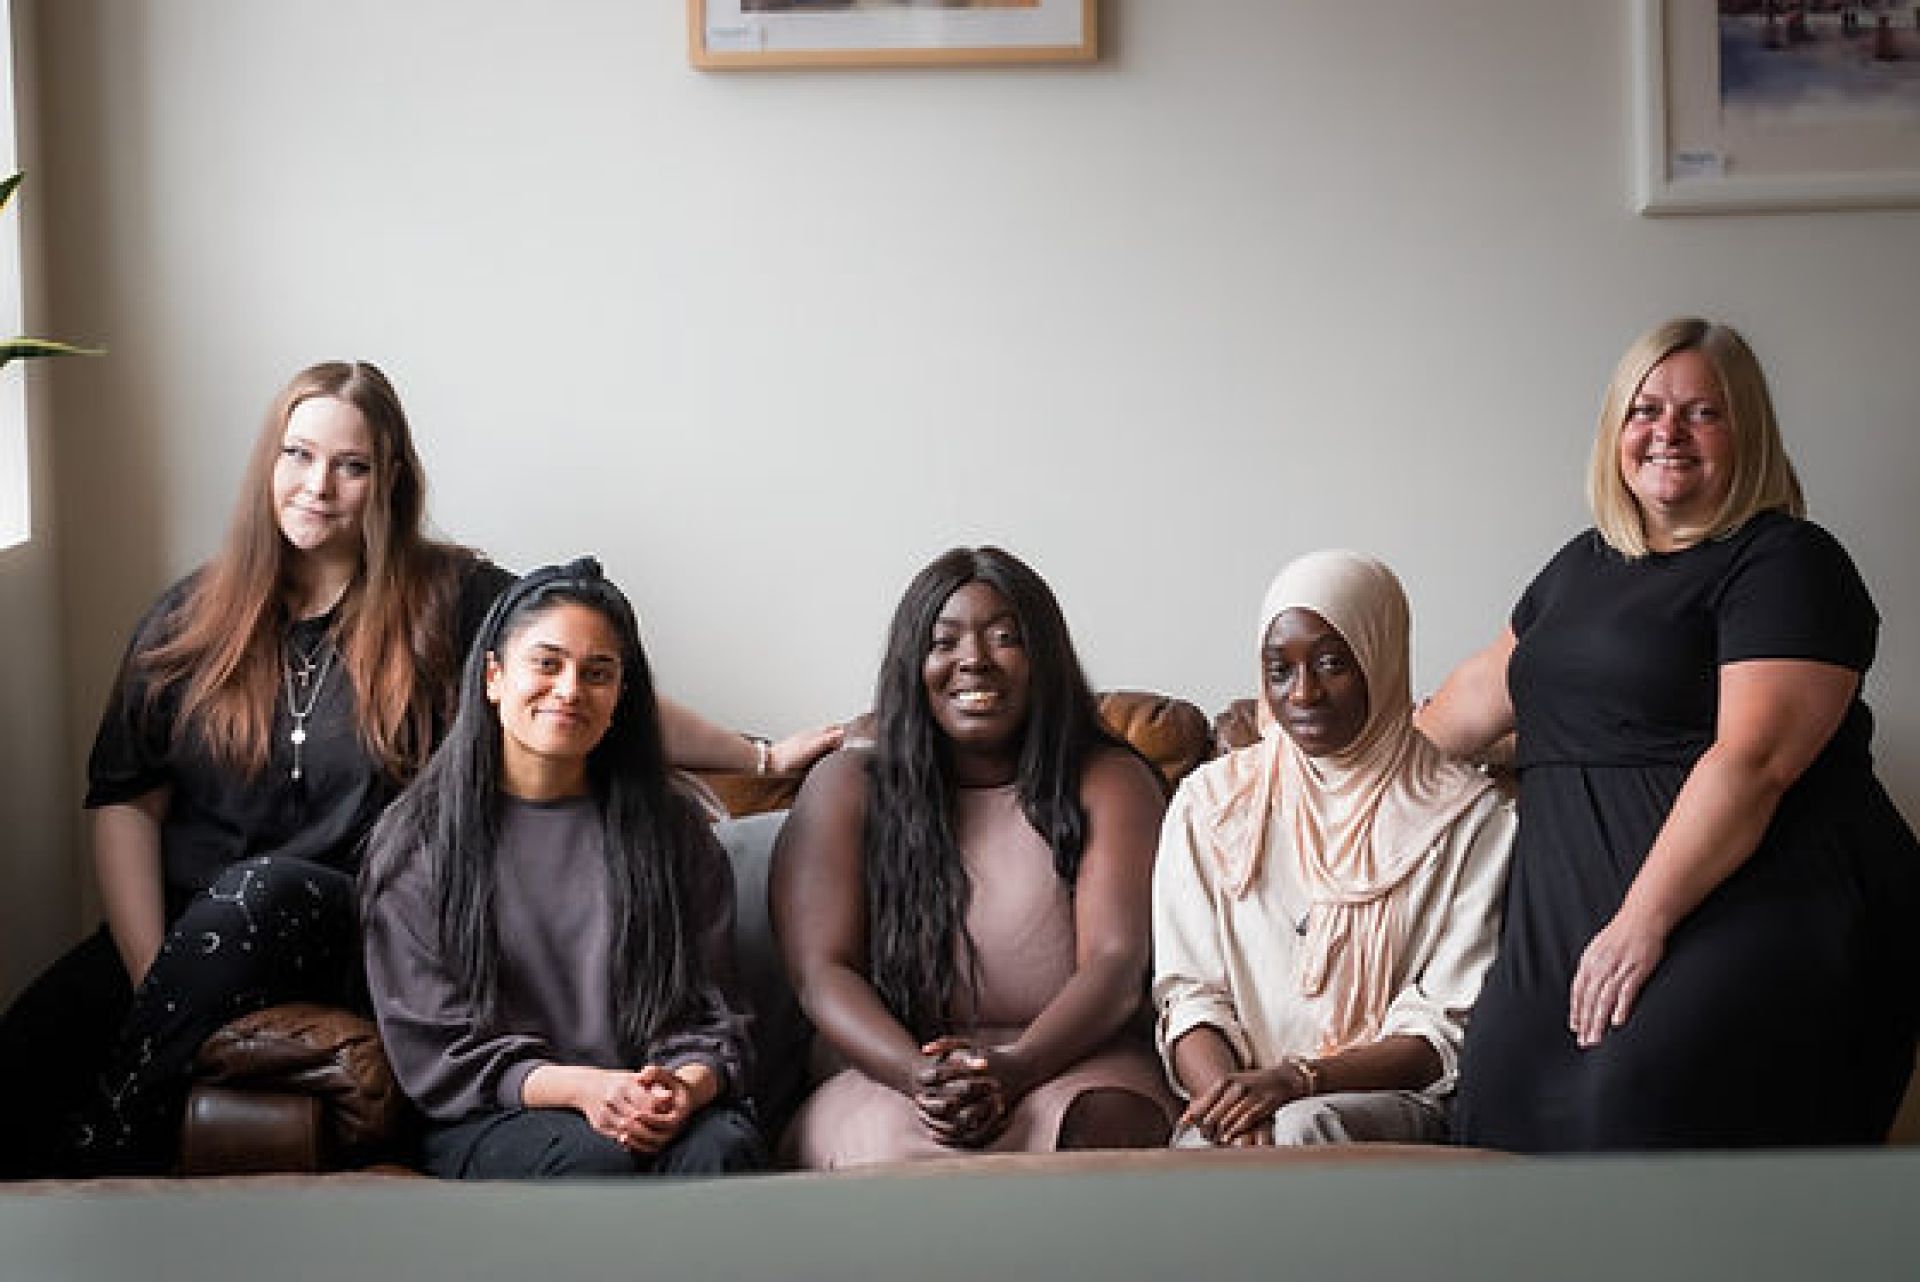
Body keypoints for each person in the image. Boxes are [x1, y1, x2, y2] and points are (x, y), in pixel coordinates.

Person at [0, 360, 833, 1178]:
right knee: (23, 1053)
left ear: (387, 479)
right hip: (183, 935)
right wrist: (159, 985)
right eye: (298, 455)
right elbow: (124, 802)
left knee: (259, 893)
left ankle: (109, 1154)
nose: (318, 485)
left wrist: (760, 755)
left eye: (350, 465)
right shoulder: (190, 614)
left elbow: (574, 674)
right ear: (269, 462)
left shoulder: (448, 598)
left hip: (341, 915)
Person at [1418, 318, 1920, 1150]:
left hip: (1751, 900)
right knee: (1495, 1101)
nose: (1667, 434)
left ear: (1747, 431)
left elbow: (1751, 763)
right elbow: (1462, 709)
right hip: (1569, 912)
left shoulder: (1787, 561)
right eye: (1646, 410)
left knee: (1637, 1100)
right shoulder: (1580, 566)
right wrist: (1286, 767)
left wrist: (1640, 922)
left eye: (1703, 414)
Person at [361, 559, 764, 1179]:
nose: (571, 689)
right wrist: (582, 1090)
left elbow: (713, 1016)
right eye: (547, 664)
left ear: (620, 697)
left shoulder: (673, 830)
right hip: (498, 1113)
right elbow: (439, 1051)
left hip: (652, 1097)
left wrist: (682, 1089)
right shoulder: (417, 841)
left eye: (597, 673)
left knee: (721, 1151)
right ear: (494, 678)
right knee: (591, 1162)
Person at [772, 546, 1175, 1167]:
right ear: (913, 662)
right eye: (945, 641)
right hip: (894, 1072)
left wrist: (1016, 1069)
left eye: (1005, 638)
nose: (974, 662)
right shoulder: (846, 786)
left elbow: (1117, 965)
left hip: (1074, 1062)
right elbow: (821, 971)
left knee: (1102, 1129)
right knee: (877, 1150)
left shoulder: (1110, 780)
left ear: (1046, 659)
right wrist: (917, 1076)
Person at [1153, 551, 1514, 1147]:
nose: (1304, 693)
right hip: (1236, 1099)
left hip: (1382, 1100)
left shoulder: (1471, 817)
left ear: (1382, 658)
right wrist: (1233, 1107)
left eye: (1330, 664)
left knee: (1308, 1129)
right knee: (1205, 1147)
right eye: (1280, 669)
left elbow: (1442, 1029)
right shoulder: (1212, 804)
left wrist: (1298, 1082)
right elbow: (1189, 997)